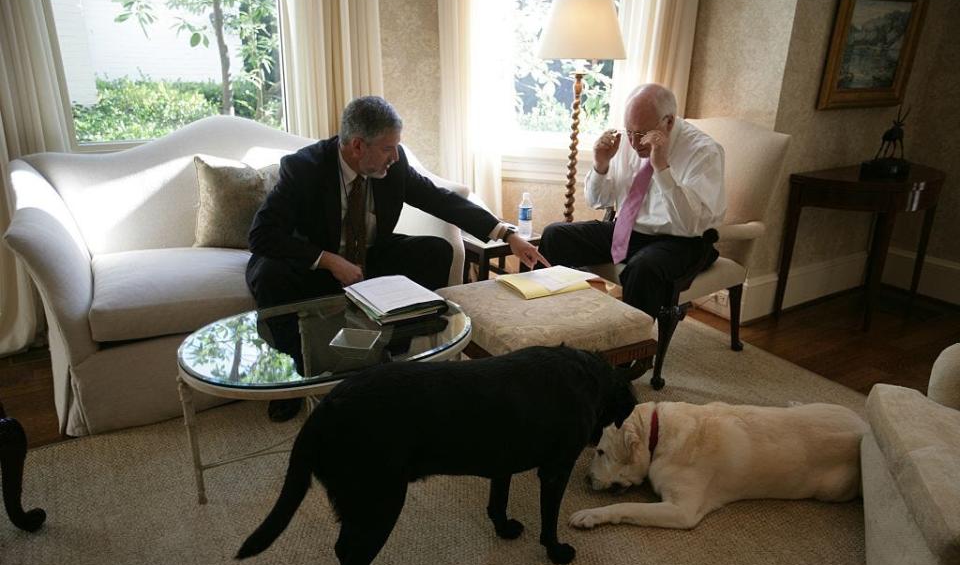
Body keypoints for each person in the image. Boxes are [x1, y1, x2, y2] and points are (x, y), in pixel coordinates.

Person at [247, 95, 547, 420]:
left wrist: (507, 234)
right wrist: (329, 260)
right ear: (358, 146)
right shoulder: (305, 168)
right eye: (388, 148)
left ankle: (392, 347)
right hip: (313, 266)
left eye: (396, 147)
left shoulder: (394, 164)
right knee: (269, 275)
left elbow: (440, 200)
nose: (395, 155)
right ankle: (293, 378)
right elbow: (261, 235)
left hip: (367, 259)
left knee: (435, 251)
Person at [538, 84, 725, 320]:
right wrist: (601, 165)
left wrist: (662, 168)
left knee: (643, 269)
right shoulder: (626, 140)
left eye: (641, 134)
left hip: (683, 242)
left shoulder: (704, 152)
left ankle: (635, 350)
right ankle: (539, 319)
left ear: (668, 122)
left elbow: (690, 225)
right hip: (628, 232)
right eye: (629, 132)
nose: (634, 143)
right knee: (555, 235)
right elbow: (598, 201)